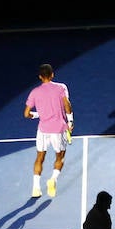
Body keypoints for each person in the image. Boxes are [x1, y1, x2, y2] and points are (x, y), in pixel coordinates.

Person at [23, 63, 73, 198]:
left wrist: (38, 114)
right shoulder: (61, 88)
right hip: (59, 130)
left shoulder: (34, 92)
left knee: (39, 158)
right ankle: (53, 179)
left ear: (40, 77)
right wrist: (70, 121)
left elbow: (26, 114)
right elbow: (67, 105)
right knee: (60, 157)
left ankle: (35, 188)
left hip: (43, 130)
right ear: (52, 75)